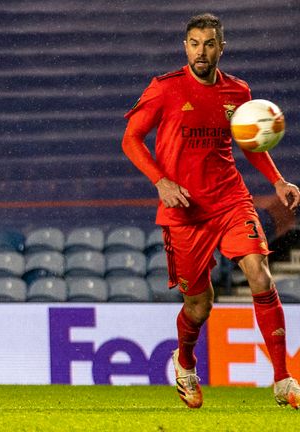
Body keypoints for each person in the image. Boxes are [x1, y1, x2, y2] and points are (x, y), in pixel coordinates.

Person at [122, 13, 300, 409]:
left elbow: (252, 144)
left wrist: (277, 181)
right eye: (194, 43)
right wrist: (160, 181)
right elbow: (131, 139)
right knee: (199, 305)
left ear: (222, 47)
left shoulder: (238, 91)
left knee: (259, 271)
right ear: (185, 46)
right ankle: (184, 361)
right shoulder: (164, 89)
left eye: (209, 44)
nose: (201, 51)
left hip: (230, 200)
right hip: (185, 211)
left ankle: (282, 379)